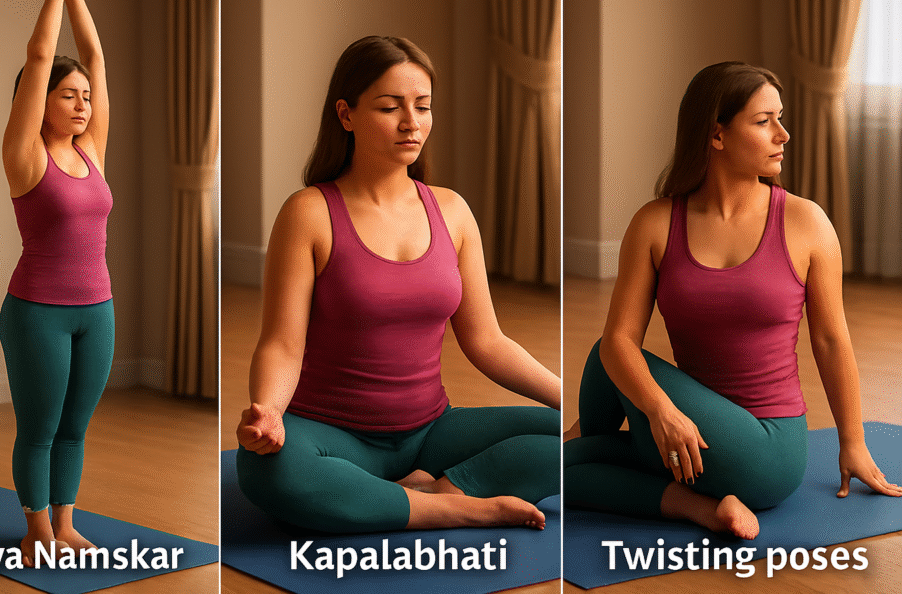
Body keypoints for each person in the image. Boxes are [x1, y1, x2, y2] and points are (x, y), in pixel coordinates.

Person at [235, 35, 560, 534]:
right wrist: (270, 412)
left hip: (430, 433)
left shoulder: (452, 211)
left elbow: (487, 341)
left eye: (423, 106)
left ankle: (430, 487)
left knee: (575, 437)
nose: (412, 122)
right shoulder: (309, 213)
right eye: (390, 107)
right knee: (266, 471)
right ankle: (460, 505)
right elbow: (281, 342)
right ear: (346, 115)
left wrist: (569, 398)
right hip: (329, 435)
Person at [564, 62, 902, 540]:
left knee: (584, 408)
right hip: (694, 435)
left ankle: (588, 453)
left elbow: (829, 339)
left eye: (780, 119)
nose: (783, 134)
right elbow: (620, 339)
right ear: (716, 135)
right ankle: (695, 504)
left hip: (768, 451)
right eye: (764, 122)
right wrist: (663, 410)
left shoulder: (806, 223)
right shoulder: (656, 223)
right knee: (588, 399)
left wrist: (853, 442)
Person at [0, 0, 113, 565]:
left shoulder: (91, 149)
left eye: (85, 98)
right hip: (37, 310)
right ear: (36, 101)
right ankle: (35, 531)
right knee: (39, 429)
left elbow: (93, 55)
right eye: (67, 95)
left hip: (97, 310)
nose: (81, 103)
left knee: (75, 428)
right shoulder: (25, 156)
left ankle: (66, 525)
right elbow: (42, 55)